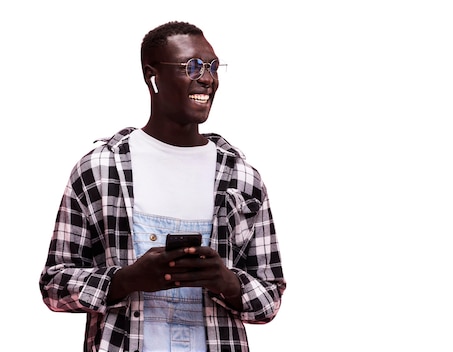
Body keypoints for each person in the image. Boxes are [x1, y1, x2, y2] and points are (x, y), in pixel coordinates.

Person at [39, 20, 286, 352]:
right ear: (151, 76)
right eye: (192, 66)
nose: (208, 78)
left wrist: (229, 284)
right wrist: (126, 280)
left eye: (213, 67)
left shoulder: (241, 177)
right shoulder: (99, 169)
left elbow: (269, 299)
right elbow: (54, 286)